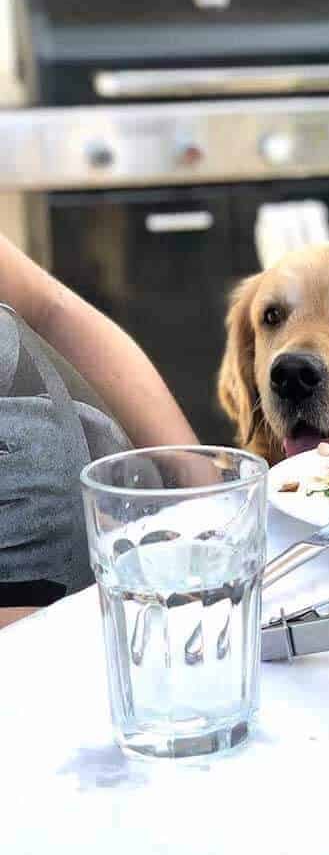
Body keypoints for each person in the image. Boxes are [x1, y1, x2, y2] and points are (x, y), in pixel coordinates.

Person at [0, 234, 197, 626]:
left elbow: (49, 307)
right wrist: (91, 626)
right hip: (61, 644)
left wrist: (200, 486)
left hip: (141, 586)